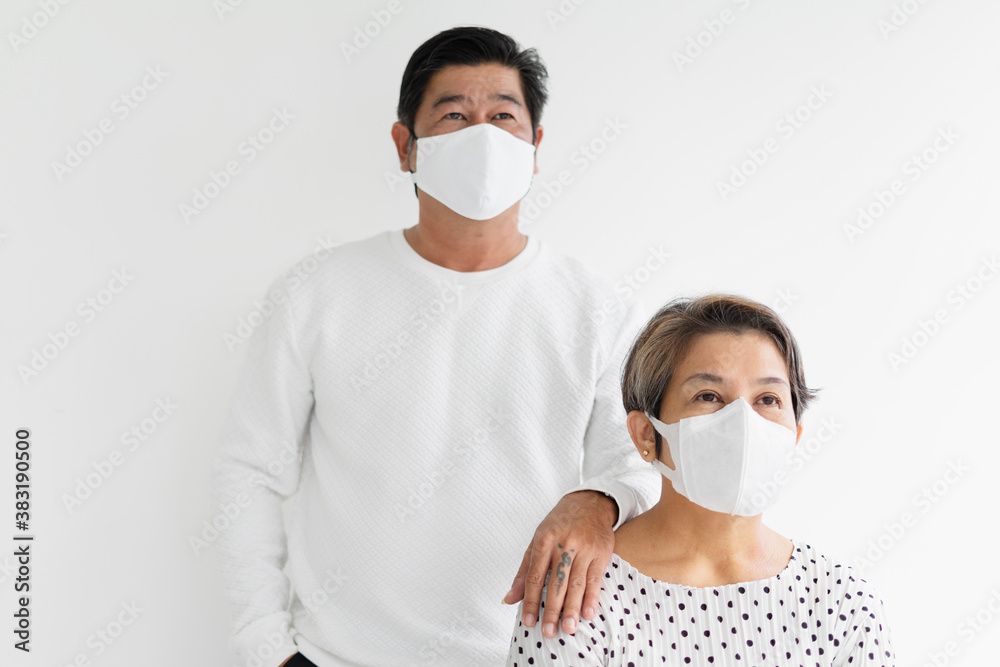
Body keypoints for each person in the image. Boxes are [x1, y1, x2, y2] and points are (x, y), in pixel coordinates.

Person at [212, 26, 660, 667]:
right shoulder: (317, 293)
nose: (482, 135)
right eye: (454, 115)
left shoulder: (601, 309)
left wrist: (598, 500)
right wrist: (263, 649)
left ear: (535, 147)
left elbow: (641, 464)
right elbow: (249, 470)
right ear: (406, 147)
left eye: (503, 116)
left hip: (530, 655)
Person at [508, 295, 896, 665]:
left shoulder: (841, 602)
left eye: (768, 399)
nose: (743, 422)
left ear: (793, 434)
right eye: (709, 396)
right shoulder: (579, 589)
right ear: (646, 434)